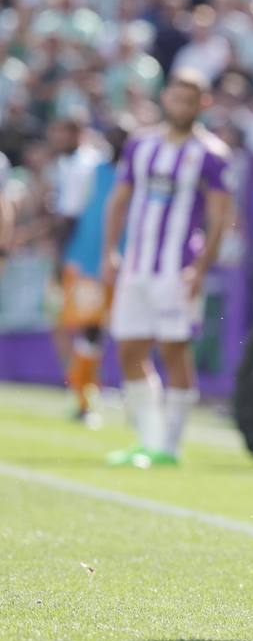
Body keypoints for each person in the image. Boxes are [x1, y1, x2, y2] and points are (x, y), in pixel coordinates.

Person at [101, 70, 233, 468]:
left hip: (177, 269)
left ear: (202, 103)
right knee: (128, 349)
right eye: (175, 97)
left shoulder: (211, 153)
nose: (181, 105)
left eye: (189, 99)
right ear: (165, 99)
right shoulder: (141, 144)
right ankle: (148, 439)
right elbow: (120, 199)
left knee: (174, 350)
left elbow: (219, 217)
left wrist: (200, 268)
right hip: (137, 265)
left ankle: (169, 447)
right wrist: (109, 252)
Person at [53, 121, 129, 428]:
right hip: (87, 261)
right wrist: (61, 257)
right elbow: (71, 214)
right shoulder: (90, 171)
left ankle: (99, 394)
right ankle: (84, 398)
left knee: (112, 332)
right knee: (89, 329)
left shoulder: (138, 174)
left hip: (124, 264)